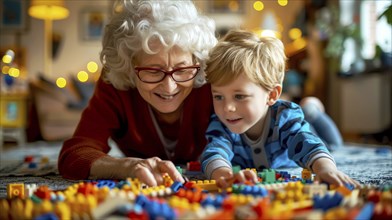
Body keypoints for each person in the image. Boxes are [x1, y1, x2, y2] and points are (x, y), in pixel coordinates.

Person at [58, 0, 217, 186]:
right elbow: (75, 154)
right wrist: (127, 166)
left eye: (181, 70)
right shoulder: (114, 85)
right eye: (153, 71)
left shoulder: (212, 80)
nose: (169, 87)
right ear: (128, 67)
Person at [200, 29, 359, 188]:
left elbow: (307, 143)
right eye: (219, 96)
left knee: (334, 144)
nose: (227, 108)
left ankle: (312, 110)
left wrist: (326, 168)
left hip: (315, 132)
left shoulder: (284, 116)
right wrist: (225, 175)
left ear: (271, 95)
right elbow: (215, 152)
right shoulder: (221, 123)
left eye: (240, 96)